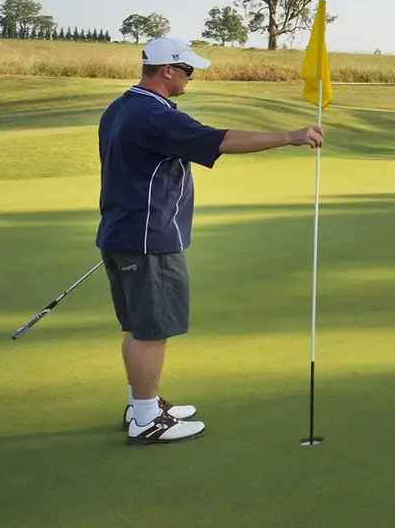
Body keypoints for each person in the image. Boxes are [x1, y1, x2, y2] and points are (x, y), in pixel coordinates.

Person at [99, 37, 323, 445]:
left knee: (137, 327)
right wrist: (290, 136)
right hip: (149, 238)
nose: (191, 77)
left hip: (123, 232)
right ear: (167, 70)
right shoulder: (154, 114)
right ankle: (147, 420)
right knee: (152, 330)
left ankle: (142, 405)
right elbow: (222, 141)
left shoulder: (120, 107)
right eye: (188, 70)